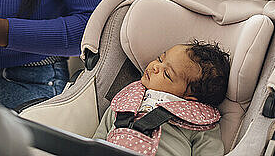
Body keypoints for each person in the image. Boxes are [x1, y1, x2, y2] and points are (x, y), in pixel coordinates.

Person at [93, 41, 230, 156]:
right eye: (160, 59)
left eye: (167, 74)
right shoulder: (128, 99)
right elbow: (100, 135)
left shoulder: (199, 121)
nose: (156, 67)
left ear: (189, 97)